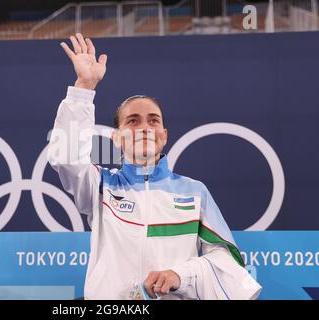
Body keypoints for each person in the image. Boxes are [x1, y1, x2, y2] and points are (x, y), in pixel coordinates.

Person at [47, 33, 262, 300]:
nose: (145, 128)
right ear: (117, 137)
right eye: (133, 121)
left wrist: (180, 276)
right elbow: (66, 157)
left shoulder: (195, 192)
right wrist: (84, 88)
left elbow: (225, 262)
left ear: (164, 135)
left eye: (153, 121)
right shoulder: (101, 187)